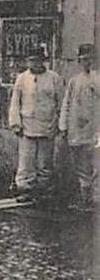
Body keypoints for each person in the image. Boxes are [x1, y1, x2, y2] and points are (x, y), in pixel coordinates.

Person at [8, 46, 64, 203]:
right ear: (27, 62)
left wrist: (60, 124)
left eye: (38, 60)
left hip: (47, 125)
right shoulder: (22, 78)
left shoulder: (54, 78)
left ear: (43, 61)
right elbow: (15, 103)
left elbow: (61, 102)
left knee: (45, 162)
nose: (34, 64)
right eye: (31, 61)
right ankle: (25, 189)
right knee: (26, 161)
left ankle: (43, 190)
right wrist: (15, 124)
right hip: (27, 126)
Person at [59, 44, 100, 209]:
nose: (86, 63)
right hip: (77, 128)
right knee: (80, 163)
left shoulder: (97, 78)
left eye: (89, 59)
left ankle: (94, 198)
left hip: (95, 129)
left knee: (95, 162)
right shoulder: (74, 81)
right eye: (83, 60)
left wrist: (94, 79)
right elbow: (66, 103)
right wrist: (63, 126)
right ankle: (85, 199)